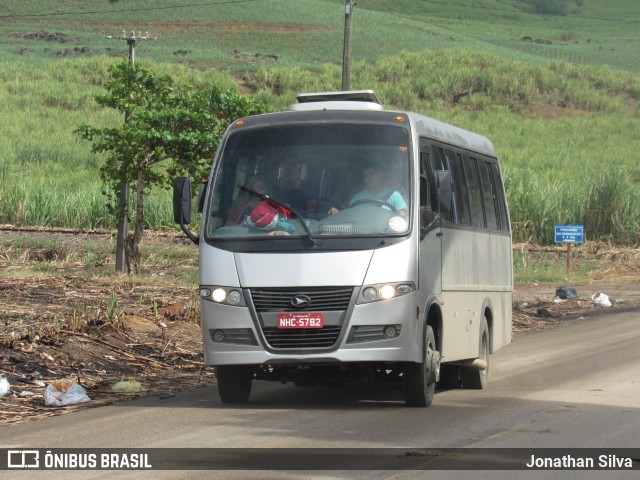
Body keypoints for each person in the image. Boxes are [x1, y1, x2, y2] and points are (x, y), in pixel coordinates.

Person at [328, 162, 408, 217]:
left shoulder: (394, 194)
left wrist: (398, 216)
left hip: (387, 234)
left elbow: (403, 212)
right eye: (366, 176)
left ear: (380, 175)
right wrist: (337, 214)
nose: (370, 178)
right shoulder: (357, 197)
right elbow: (349, 216)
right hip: (361, 234)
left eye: (372, 174)